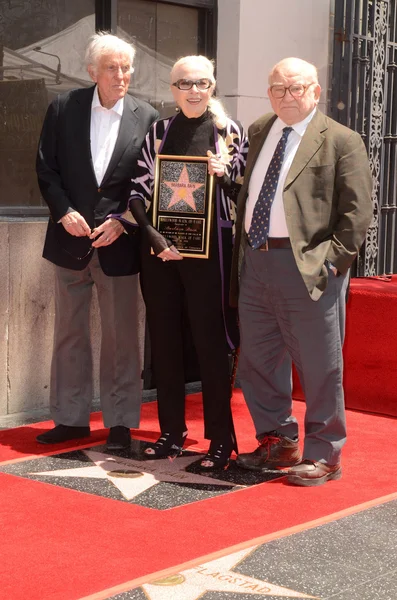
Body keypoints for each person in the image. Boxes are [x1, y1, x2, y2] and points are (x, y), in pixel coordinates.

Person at [230, 57, 373, 486]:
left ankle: (324, 454)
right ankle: (279, 441)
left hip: (308, 266)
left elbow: (357, 211)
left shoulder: (341, 140)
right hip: (256, 260)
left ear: (315, 91)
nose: (286, 97)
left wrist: (331, 262)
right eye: (278, 89)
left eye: (296, 89)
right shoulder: (259, 130)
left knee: (319, 364)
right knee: (259, 359)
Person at [116, 55, 248, 470]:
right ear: (172, 89)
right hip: (160, 253)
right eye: (185, 83)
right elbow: (137, 192)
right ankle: (171, 431)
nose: (194, 90)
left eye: (203, 83)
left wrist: (224, 174)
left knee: (211, 345)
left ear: (213, 87)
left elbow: (243, 193)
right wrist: (151, 236)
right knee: (165, 342)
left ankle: (221, 439)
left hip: (210, 255)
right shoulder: (159, 131)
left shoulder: (229, 133)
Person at [35, 32, 158, 450]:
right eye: (112, 67)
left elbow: (149, 183)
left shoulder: (149, 117)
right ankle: (70, 418)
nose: (122, 75)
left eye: (126, 67)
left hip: (119, 244)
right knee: (69, 332)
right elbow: (46, 169)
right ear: (92, 71)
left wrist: (124, 221)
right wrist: (63, 210)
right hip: (68, 240)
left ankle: (120, 422)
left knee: (122, 335)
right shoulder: (63, 107)